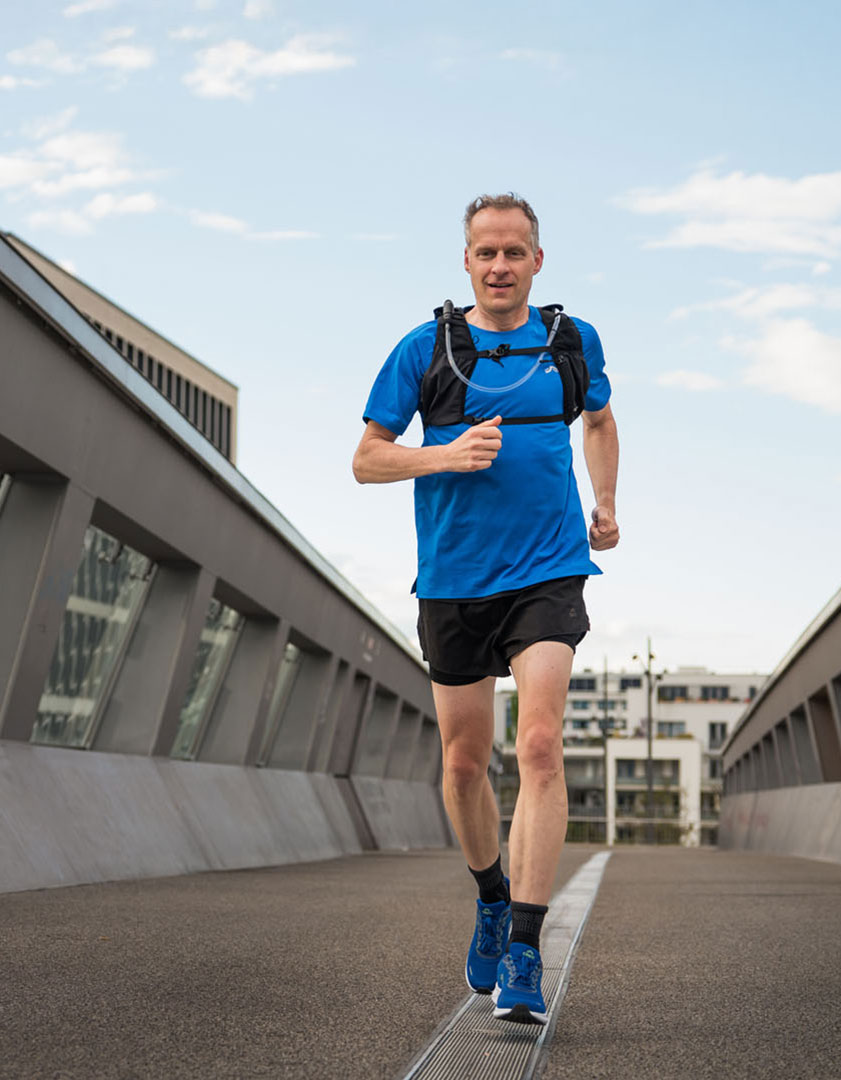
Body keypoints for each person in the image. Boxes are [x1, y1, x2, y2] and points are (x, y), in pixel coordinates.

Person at [352, 192, 618, 1026]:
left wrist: (604, 501)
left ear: (539, 260)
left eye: (514, 252)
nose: (500, 266)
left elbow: (601, 420)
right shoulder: (425, 348)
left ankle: (528, 953)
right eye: (485, 253)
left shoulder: (573, 342)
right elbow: (365, 460)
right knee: (465, 767)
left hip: (549, 570)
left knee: (539, 744)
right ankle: (492, 897)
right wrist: (442, 454)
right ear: (466, 262)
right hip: (455, 582)